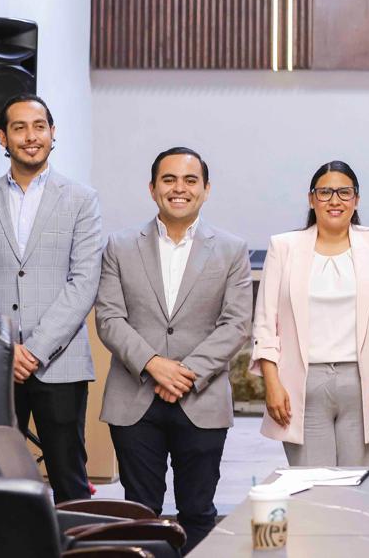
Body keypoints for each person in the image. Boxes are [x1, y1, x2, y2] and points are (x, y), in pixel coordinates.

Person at [96, 147, 252, 553]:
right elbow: (109, 318)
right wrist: (153, 364)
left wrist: (185, 372)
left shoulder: (232, 249)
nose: (179, 189)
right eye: (168, 180)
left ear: (205, 189)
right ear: (152, 189)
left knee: (198, 510)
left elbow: (235, 324)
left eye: (189, 180)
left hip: (201, 397)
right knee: (140, 511)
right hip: (134, 397)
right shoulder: (120, 245)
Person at [0, 94, 102, 502]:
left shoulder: (81, 200)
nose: (30, 136)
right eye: (18, 128)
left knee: (69, 479)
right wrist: (4, 348)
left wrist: (33, 350)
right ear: (3, 137)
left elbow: (84, 281)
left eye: (39, 127)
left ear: (53, 134)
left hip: (59, 364)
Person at [251, 161, 369, 466]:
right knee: (314, 491)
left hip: (367, 383)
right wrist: (272, 384)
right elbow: (266, 322)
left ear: (356, 200)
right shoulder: (284, 246)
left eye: (344, 192)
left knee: (360, 488)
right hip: (301, 386)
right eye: (325, 192)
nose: (334, 200)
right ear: (311, 198)